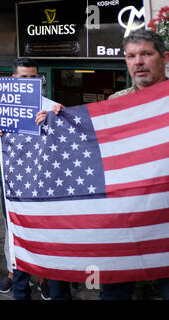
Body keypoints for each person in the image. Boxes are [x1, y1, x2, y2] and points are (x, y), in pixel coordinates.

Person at [0, 57, 69, 300]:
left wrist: (57, 119)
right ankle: (18, 282)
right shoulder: (0, 109)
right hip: (12, 187)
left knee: (47, 235)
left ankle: (45, 280)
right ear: (13, 79)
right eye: (24, 77)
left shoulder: (52, 107)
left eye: (34, 77)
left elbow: (64, 145)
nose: (30, 81)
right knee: (16, 233)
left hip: (45, 188)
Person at [99, 29, 169, 300]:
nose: (138, 61)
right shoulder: (115, 102)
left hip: (165, 217)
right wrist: (55, 121)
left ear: (164, 58)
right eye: (131, 56)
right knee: (114, 294)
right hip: (126, 216)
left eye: (146, 54)